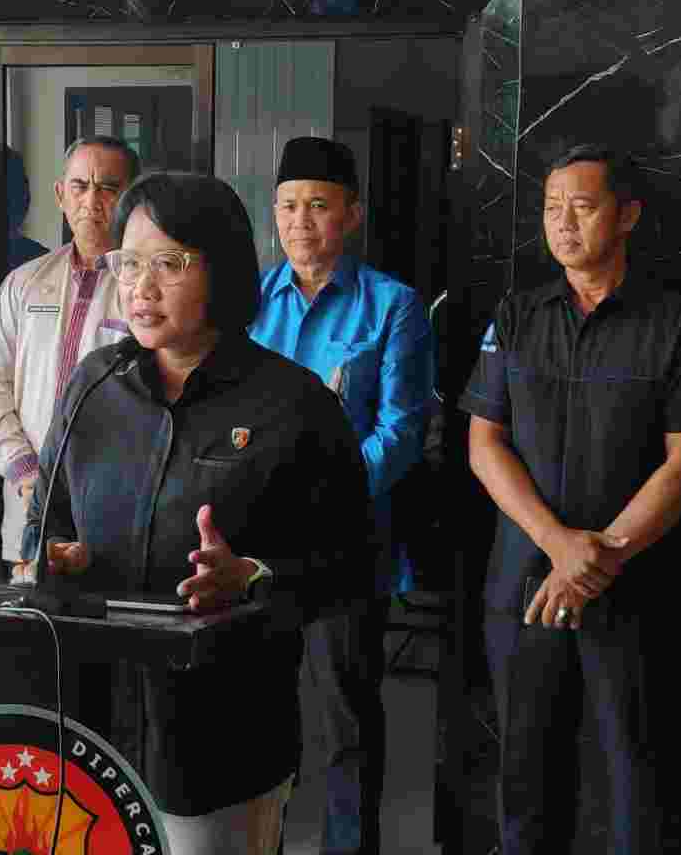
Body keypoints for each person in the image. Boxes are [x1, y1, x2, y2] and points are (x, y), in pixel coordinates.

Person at [24, 171, 370, 854]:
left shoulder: (293, 403)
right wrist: (58, 554)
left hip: (221, 732)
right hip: (91, 718)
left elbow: (353, 564)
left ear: (223, 269)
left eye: (169, 263)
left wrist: (253, 574)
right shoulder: (96, 383)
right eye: (129, 263)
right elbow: (46, 518)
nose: (141, 287)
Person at [460, 144, 681, 855]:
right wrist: (558, 546)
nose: (564, 222)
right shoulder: (518, 316)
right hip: (525, 583)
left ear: (627, 214)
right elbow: (485, 445)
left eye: (582, 206)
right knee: (524, 773)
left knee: (637, 775)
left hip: (635, 585)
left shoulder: (678, 323)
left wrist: (595, 561)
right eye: (552, 208)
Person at [247, 136, 434, 855]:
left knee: (345, 719)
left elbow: (402, 430)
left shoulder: (393, 306)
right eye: (288, 206)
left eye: (318, 205)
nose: (300, 221)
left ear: (352, 214)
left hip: (346, 545)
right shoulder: (247, 301)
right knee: (256, 716)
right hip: (255, 544)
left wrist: (321, 499)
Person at [0, 136, 138, 574]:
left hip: (115, 505)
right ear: (60, 194)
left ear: (131, 198)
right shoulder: (24, 283)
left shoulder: (144, 288)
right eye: (80, 186)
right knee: (29, 609)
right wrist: (27, 471)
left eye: (108, 187)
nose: (91, 200)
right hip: (27, 501)